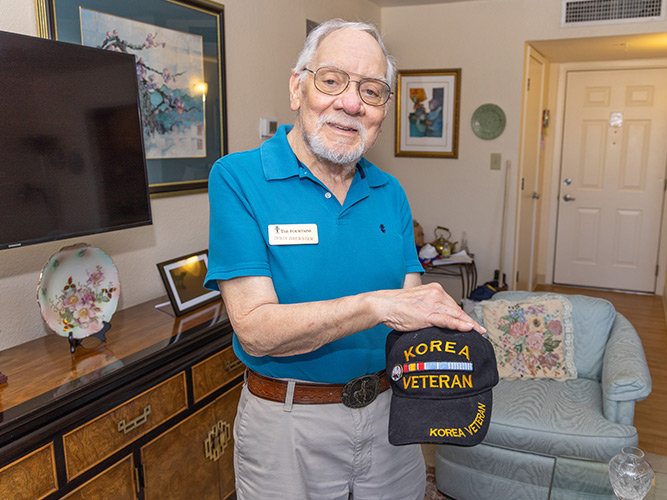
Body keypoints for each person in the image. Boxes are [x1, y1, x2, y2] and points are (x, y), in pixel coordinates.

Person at [204, 18, 484, 500]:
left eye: (372, 91)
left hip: (389, 413)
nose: (351, 103)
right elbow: (254, 327)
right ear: (298, 87)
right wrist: (377, 305)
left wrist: (454, 334)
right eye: (332, 80)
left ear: (383, 110)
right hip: (288, 427)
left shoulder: (389, 192)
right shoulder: (237, 178)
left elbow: (409, 308)